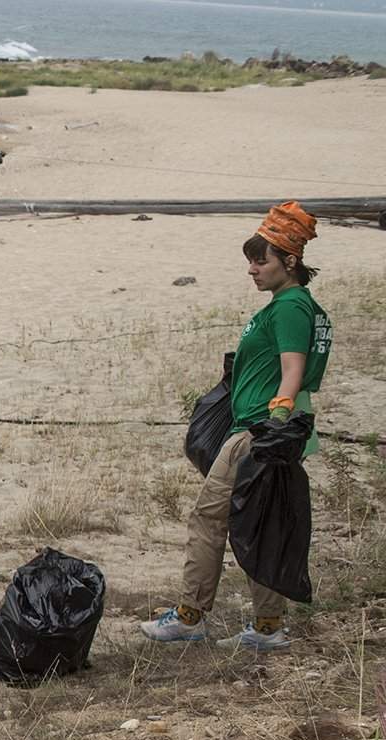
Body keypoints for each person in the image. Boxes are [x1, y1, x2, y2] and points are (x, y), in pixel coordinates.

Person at [143, 201, 332, 652]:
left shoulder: (289, 307)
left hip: (257, 432)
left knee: (208, 518)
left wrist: (276, 424)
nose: (252, 269)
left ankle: (191, 616)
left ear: (289, 261)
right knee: (260, 522)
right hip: (259, 430)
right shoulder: (292, 305)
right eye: (250, 259)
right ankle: (268, 627)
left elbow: (292, 369)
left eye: (260, 259)